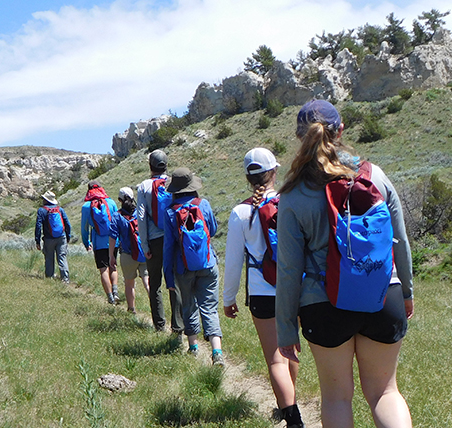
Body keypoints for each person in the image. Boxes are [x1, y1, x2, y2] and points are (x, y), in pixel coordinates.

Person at [276, 99, 414, 427]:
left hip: (322, 303)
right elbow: (400, 241)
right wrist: (406, 291)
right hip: (382, 294)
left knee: (337, 397)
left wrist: (285, 328)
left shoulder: (293, 196)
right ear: (341, 131)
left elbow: (289, 269)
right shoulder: (374, 176)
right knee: (385, 392)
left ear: (300, 137)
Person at [223, 148, 304, 427]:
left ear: (248, 177)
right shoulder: (290, 202)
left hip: (262, 293)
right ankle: (289, 402)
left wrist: (228, 298)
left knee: (275, 359)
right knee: (291, 350)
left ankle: (292, 417)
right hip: (294, 290)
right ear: (275, 172)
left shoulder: (240, 213)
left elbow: (233, 263)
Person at [162, 167, 224, 366]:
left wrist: (169, 278)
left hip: (183, 268)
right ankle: (217, 352)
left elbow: (168, 247)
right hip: (207, 263)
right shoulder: (203, 204)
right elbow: (212, 230)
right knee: (210, 308)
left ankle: (194, 348)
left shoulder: (170, 212)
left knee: (189, 307)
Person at [137, 150, 184, 334]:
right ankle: (178, 326)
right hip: (172, 239)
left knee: (154, 283)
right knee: (175, 283)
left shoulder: (144, 186)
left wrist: (145, 245)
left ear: (150, 165)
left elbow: (141, 217)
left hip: (154, 241)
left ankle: (159, 325)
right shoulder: (173, 182)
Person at [109, 187, 150, 314]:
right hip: (144, 252)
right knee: (148, 282)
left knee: (129, 284)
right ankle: (156, 307)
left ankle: (131, 309)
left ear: (119, 200)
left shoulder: (117, 216)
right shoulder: (140, 212)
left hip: (128, 254)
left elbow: (112, 237)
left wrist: (111, 255)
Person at [81, 181, 120, 305]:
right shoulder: (111, 202)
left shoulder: (86, 207)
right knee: (113, 266)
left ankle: (110, 298)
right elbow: (117, 222)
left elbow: (84, 228)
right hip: (114, 240)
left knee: (104, 269)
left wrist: (86, 242)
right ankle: (115, 292)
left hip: (99, 242)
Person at [34, 190, 71, 283]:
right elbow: (67, 224)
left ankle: (49, 277)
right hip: (61, 237)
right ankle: (65, 278)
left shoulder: (41, 210)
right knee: (62, 257)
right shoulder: (60, 209)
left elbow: (38, 226)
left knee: (49, 258)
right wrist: (68, 236)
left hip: (48, 239)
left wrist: (37, 240)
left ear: (46, 200)